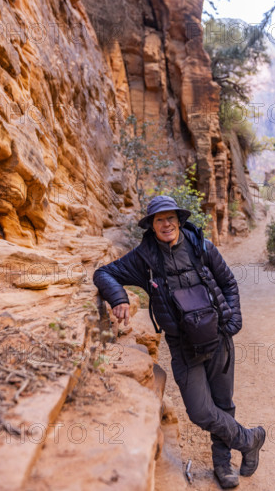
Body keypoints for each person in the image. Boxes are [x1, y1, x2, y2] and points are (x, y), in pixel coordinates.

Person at [93, 195, 265, 489]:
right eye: (159, 220)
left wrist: (234, 319)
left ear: (179, 220)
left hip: (218, 337)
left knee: (223, 403)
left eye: (170, 217)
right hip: (183, 347)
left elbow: (228, 282)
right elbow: (103, 273)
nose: (166, 224)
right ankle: (248, 439)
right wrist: (118, 298)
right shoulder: (144, 258)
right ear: (151, 226)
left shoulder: (201, 246)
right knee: (200, 410)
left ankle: (222, 465)